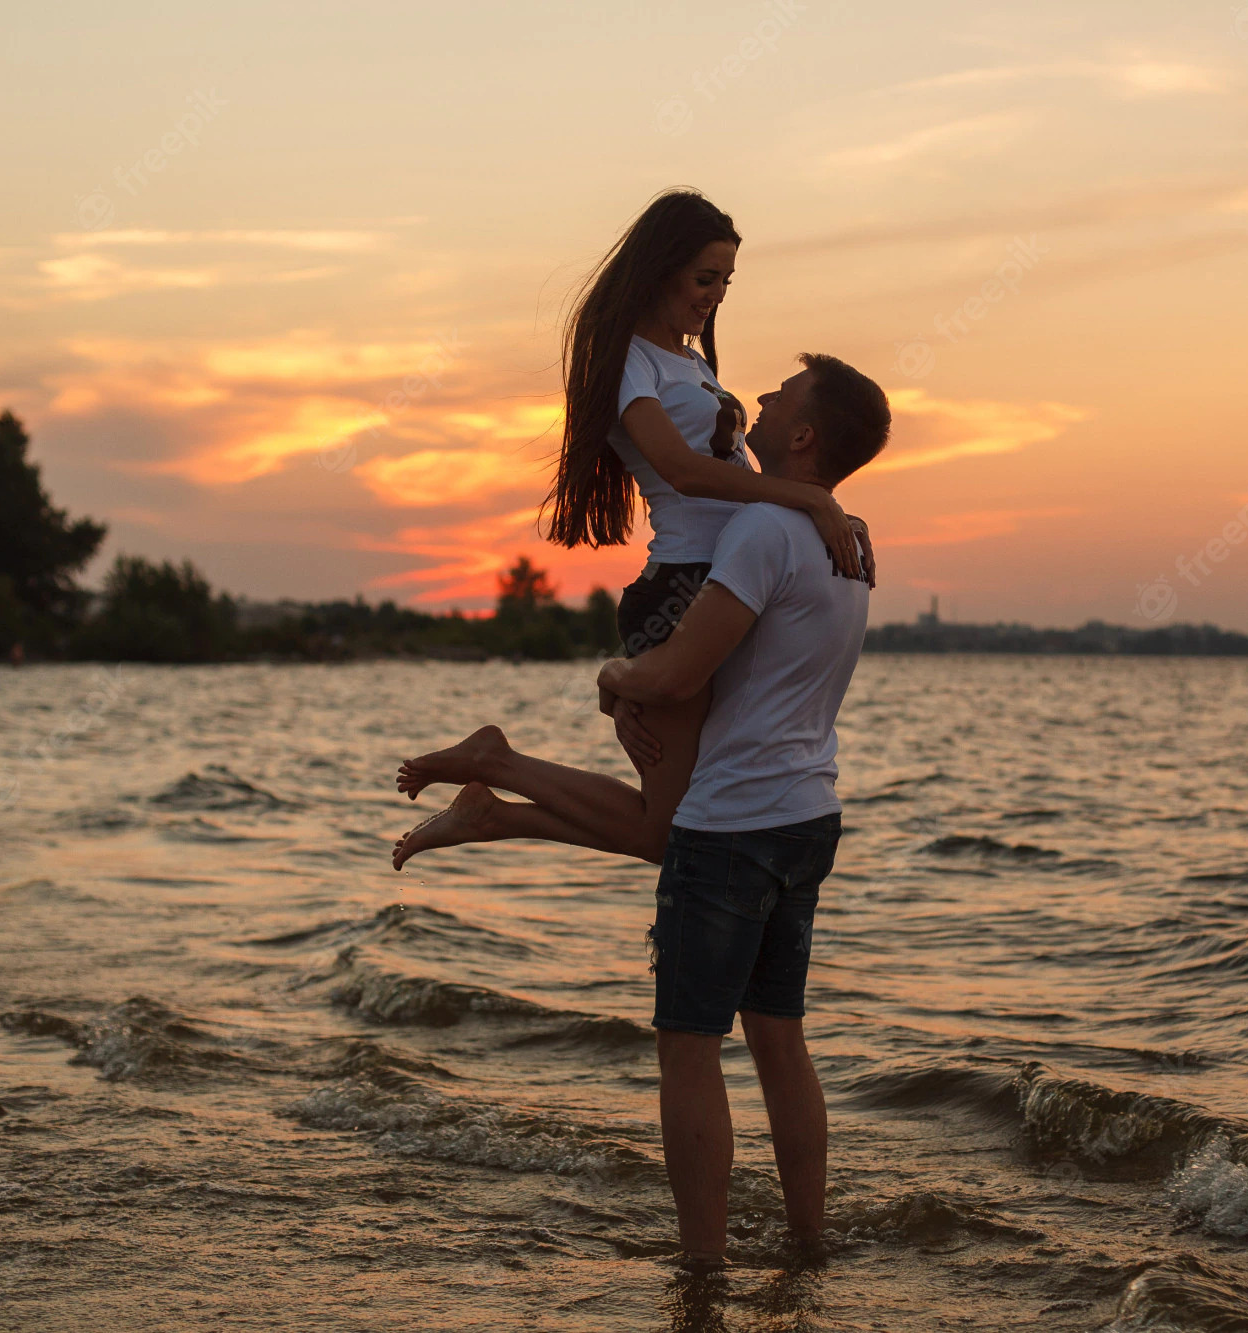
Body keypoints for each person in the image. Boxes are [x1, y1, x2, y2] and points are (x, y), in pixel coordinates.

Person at [392, 190, 871, 865]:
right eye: (705, 278)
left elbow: (731, 474)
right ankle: (494, 769)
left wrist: (827, 511)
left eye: (726, 283)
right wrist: (808, 503)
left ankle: (492, 807)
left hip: (726, 585)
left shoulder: (692, 362)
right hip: (681, 590)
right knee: (665, 833)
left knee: (689, 815)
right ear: (660, 267)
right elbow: (679, 469)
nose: (715, 296)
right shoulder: (627, 360)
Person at [594, 353, 891, 1266]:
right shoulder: (852, 541)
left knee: (688, 1046)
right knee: (780, 1039)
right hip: (808, 816)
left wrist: (614, 676)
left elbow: (679, 670)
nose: (756, 398)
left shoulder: (763, 530)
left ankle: (701, 1267)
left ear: (802, 435)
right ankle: (810, 1243)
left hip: (731, 825)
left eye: (779, 398)